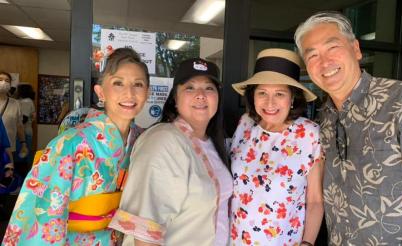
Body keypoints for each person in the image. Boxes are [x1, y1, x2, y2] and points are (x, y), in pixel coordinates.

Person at [294, 11, 402, 245]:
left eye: (332, 47)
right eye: (313, 55)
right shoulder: (325, 118)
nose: (325, 62)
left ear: (356, 49)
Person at [2, 47, 149, 245]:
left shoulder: (142, 142)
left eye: (138, 84)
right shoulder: (70, 144)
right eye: (118, 83)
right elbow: (44, 214)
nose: (129, 93)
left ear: (147, 92)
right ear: (100, 92)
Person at [109, 58, 232, 245]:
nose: (200, 95)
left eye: (209, 88)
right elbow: (143, 233)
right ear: (175, 98)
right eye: (190, 88)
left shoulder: (213, 143)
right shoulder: (163, 141)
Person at [229, 48, 324, 246]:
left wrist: (307, 243)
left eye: (279, 93)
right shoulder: (245, 124)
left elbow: (315, 200)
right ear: (252, 96)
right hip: (234, 240)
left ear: (292, 99)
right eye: (262, 92)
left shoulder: (309, 134)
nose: (270, 102)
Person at [0, 71, 28, 168]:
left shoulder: (15, 104)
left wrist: (23, 143)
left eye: (7, 81)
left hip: (9, 148)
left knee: (7, 176)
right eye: (0, 80)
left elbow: (19, 126)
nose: (3, 82)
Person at [13, 83, 36, 177]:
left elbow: (23, 119)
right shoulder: (28, 101)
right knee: (24, 157)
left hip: (23, 134)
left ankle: (20, 182)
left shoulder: (25, 102)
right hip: (26, 132)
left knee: (21, 158)